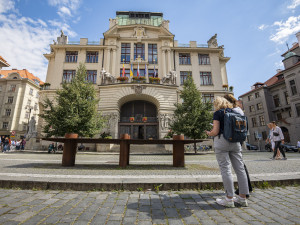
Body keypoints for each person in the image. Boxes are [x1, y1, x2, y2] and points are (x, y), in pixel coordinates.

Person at [206, 96, 249, 207]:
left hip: (222, 141)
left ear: (217, 104)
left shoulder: (218, 113)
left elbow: (215, 131)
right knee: (240, 169)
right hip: (235, 141)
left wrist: (209, 133)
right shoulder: (236, 112)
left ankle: (229, 199)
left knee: (226, 169)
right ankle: (242, 198)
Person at [224, 94, 252, 197]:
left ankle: (245, 189)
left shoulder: (233, 111)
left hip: (234, 137)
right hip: (239, 136)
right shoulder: (239, 110)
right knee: (241, 164)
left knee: (239, 165)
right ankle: (247, 187)